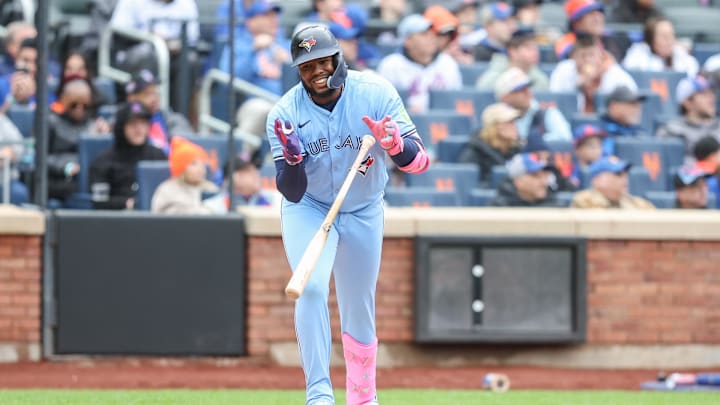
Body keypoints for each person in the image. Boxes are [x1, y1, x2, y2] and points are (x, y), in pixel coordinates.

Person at [266, 25, 429, 405]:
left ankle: (362, 396)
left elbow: (419, 162)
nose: (317, 71)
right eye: (307, 66)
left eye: (323, 60)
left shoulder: (375, 93)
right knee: (311, 289)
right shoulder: (285, 112)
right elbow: (292, 190)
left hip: (362, 208)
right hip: (309, 207)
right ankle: (319, 395)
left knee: (358, 304)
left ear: (338, 58)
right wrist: (292, 159)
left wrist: (395, 144)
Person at [376, 14, 462, 113]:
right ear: (407, 40)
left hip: (441, 124)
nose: (431, 38)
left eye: (432, 33)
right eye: (423, 34)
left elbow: (455, 102)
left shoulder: (448, 63)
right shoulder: (390, 65)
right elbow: (382, 107)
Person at [89, 102, 167, 210]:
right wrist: (126, 204)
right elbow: (99, 201)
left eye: (143, 123)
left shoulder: (158, 156)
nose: (139, 129)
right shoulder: (103, 161)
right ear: (121, 128)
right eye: (132, 123)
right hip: (118, 220)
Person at [47, 78, 111, 203]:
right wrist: (67, 167)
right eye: (74, 104)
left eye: (85, 105)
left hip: (87, 177)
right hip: (58, 178)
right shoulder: (50, 122)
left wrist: (102, 136)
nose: (79, 109)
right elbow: (40, 158)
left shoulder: (95, 125)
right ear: (63, 100)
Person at [549, 33, 637, 114]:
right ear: (573, 56)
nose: (587, 60)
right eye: (582, 55)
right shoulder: (563, 70)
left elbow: (632, 98)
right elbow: (553, 101)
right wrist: (578, 86)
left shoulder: (615, 73)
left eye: (591, 55)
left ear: (601, 56)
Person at [493, 67, 572, 143]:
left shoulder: (546, 112)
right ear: (505, 97)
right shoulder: (498, 119)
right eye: (520, 90)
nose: (527, 92)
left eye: (527, 88)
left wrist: (532, 142)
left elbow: (565, 138)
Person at [125, 69, 194, 153]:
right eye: (147, 94)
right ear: (132, 98)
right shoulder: (121, 123)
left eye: (155, 92)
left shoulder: (172, 119)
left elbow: (185, 148)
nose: (154, 98)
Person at [151, 137, 224, 214]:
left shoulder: (210, 188)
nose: (200, 169)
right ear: (181, 167)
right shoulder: (166, 190)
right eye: (194, 164)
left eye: (202, 164)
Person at [657, 76, 720, 162]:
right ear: (687, 103)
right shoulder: (673, 131)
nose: (711, 97)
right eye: (704, 94)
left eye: (711, 92)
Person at [459, 102, 522, 181]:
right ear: (494, 127)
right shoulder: (474, 154)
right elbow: (468, 183)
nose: (514, 126)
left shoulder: (519, 152)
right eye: (509, 122)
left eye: (514, 122)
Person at [621, 17, 699, 78]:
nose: (669, 40)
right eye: (664, 36)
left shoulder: (683, 57)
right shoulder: (637, 56)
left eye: (671, 35)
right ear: (651, 40)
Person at [477, 28, 549, 92]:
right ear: (512, 51)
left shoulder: (540, 78)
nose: (535, 52)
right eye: (528, 48)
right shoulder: (492, 77)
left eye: (536, 48)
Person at [571, 156, 655, 209]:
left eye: (625, 173)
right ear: (597, 180)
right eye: (618, 174)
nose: (624, 178)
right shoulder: (584, 201)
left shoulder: (638, 204)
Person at [491, 152, 563, 207]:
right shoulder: (499, 208)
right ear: (518, 181)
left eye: (545, 176)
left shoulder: (555, 207)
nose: (544, 182)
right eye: (535, 176)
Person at [599, 86, 647, 155]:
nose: (637, 109)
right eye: (632, 104)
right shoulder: (598, 132)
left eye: (638, 105)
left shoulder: (639, 131)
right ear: (613, 106)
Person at [0, 113, 28, 205]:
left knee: (18, 193)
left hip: (4, 179)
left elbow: (20, 146)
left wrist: (10, 152)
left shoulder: (2, 121)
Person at [569, 124, 606, 188]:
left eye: (599, 145)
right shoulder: (569, 172)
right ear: (577, 149)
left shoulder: (606, 171)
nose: (597, 149)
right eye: (591, 145)